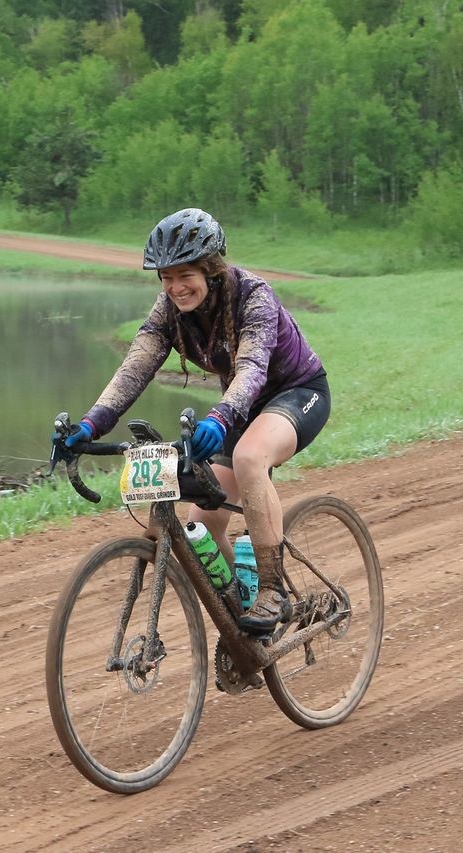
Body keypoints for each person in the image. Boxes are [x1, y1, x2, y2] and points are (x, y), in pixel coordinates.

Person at [59, 207, 330, 636]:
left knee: (249, 457)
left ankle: (271, 588)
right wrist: (91, 425)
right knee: (202, 526)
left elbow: (253, 369)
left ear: (212, 269)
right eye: (165, 277)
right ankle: (245, 621)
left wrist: (221, 417)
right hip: (236, 409)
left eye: (184, 274)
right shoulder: (170, 310)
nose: (174, 287)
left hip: (295, 393)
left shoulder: (253, 296)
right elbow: (135, 368)